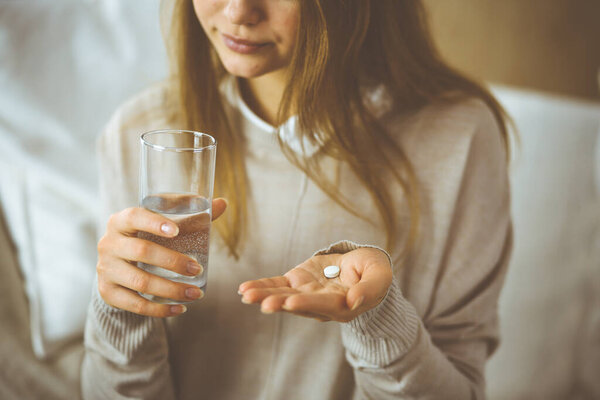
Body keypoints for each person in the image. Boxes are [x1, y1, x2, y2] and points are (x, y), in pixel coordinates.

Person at [82, 0, 513, 399]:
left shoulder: (458, 140)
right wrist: (122, 310)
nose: (238, 11)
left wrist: (379, 320)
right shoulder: (141, 135)